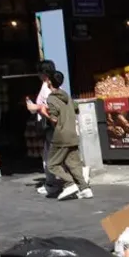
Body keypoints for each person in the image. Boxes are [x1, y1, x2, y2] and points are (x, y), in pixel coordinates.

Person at [45, 71, 92, 200]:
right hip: (72, 134)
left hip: (61, 136)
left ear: (50, 82)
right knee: (73, 163)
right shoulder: (67, 96)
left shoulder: (51, 98)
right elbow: (76, 108)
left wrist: (43, 111)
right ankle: (85, 189)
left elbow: (54, 119)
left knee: (52, 164)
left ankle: (69, 183)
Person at [25, 61, 58, 195]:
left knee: (50, 155)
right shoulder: (50, 85)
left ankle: (52, 184)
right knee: (55, 154)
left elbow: (51, 105)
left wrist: (35, 107)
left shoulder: (48, 87)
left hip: (51, 125)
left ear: (44, 73)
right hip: (52, 125)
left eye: (39, 72)